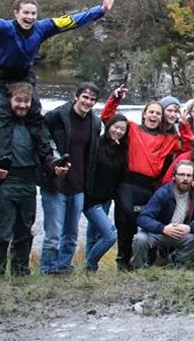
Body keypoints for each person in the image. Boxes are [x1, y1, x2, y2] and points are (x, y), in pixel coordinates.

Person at [0, 0, 113, 167]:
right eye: (25, 13)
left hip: (24, 74)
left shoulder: (43, 27)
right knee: (2, 117)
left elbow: (72, 21)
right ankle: (3, 160)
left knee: (35, 115)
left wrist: (100, 10)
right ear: (16, 13)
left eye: (33, 13)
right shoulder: (5, 27)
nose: (29, 17)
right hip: (0, 76)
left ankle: (49, 158)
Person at [0, 82, 68, 277]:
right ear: (9, 100)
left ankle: (21, 274)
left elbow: (50, 149)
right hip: (3, 183)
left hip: (28, 183)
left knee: (24, 232)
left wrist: (57, 165)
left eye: (27, 101)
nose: (23, 105)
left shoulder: (36, 126)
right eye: (18, 100)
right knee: (0, 233)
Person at [100, 85, 193, 270]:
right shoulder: (132, 128)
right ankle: (123, 262)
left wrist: (184, 125)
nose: (154, 116)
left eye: (158, 113)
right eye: (151, 112)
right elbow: (108, 118)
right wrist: (115, 98)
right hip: (127, 183)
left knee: (149, 222)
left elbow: (188, 146)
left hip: (149, 187)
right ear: (144, 115)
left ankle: (146, 261)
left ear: (161, 118)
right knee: (125, 224)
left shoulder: (167, 139)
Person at [40, 82, 102, 275]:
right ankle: (48, 270)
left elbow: (91, 156)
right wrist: (52, 165)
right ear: (76, 97)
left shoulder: (95, 122)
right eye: (85, 97)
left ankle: (64, 267)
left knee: (71, 234)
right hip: (55, 183)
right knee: (53, 234)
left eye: (92, 99)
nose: (88, 102)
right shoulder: (56, 116)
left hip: (79, 185)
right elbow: (42, 144)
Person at [132, 161, 194, 269]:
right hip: (161, 232)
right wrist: (163, 228)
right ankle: (138, 268)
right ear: (174, 177)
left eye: (189, 175)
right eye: (181, 174)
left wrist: (190, 227)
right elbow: (143, 218)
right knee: (140, 238)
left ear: (193, 178)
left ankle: (177, 261)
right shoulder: (163, 192)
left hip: (182, 233)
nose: (185, 178)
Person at [82, 114, 128, 273]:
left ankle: (88, 274)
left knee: (93, 235)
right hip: (90, 200)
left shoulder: (120, 149)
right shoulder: (96, 144)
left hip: (106, 199)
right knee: (110, 235)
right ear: (108, 126)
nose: (118, 131)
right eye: (116, 127)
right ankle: (90, 264)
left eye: (122, 129)